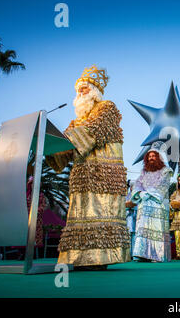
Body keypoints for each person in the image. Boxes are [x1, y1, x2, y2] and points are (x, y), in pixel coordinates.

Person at [45, 65, 130, 270]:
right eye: (78, 89)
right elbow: (66, 145)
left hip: (103, 175)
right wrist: (50, 147)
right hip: (83, 174)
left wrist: (67, 139)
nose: (80, 92)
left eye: (84, 88)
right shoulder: (77, 120)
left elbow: (94, 130)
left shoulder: (106, 107)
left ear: (95, 91)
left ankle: (100, 259)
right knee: (82, 215)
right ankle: (82, 258)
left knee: (100, 213)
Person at [127, 144, 173, 262]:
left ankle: (157, 255)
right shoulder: (144, 172)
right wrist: (140, 193)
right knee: (142, 228)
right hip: (144, 204)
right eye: (149, 156)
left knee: (157, 229)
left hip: (157, 203)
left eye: (153, 156)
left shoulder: (166, 170)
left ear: (158, 158)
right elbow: (138, 184)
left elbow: (163, 185)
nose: (151, 158)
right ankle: (142, 254)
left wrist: (149, 193)